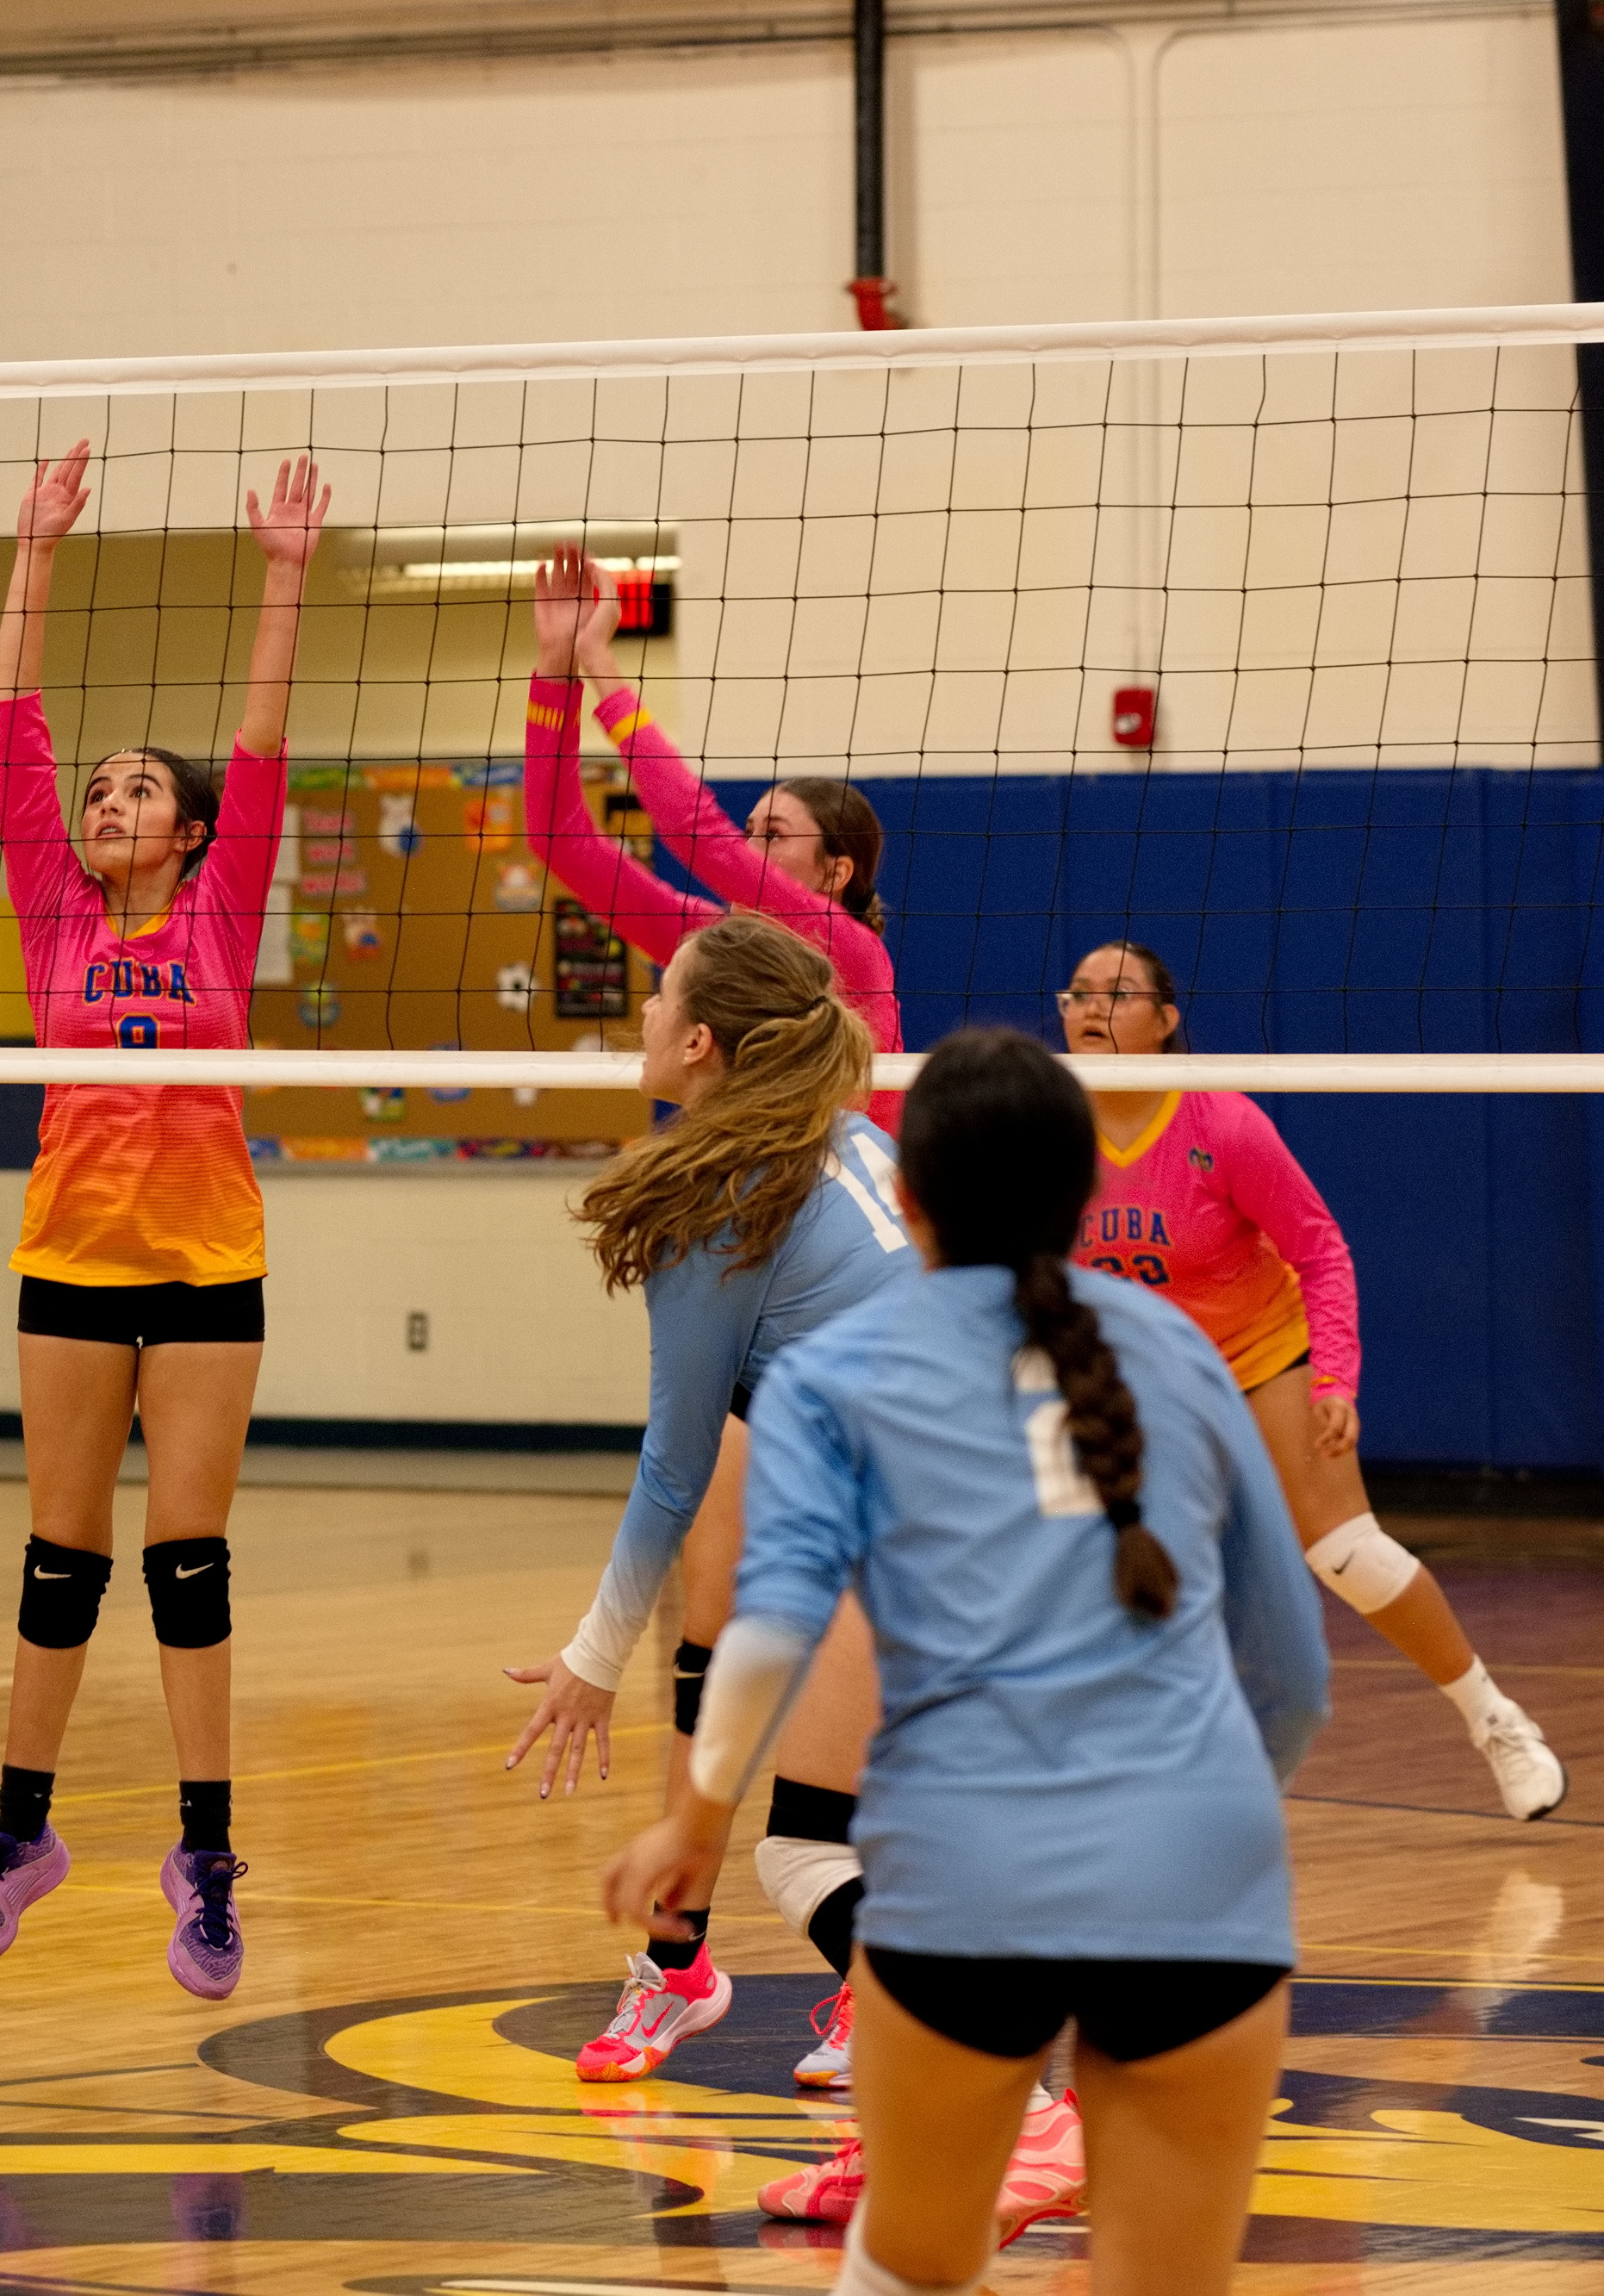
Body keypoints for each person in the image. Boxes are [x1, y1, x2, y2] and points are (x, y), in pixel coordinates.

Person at [607, 1024, 1327, 2295]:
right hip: (1204, 1883)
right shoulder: (1176, 1351)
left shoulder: (837, 1370)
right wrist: (1190, 1825)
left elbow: (769, 1624)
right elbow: (1292, 1670)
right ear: (1087, 1194)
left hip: (971, 1875)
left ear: (912, 1194)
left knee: (909, 2271)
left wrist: (696, 1816)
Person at [0, 440, 320, 2001]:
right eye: (97, 790)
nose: (107, 799)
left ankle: (205, 1860)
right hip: (70, 1263)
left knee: (188, 1559)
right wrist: (30, 547)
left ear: (186, 831)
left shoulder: (221, 903)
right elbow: (8, 733)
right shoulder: (58, 914)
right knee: (57, 1553)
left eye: (138, 789)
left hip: (208, 1263)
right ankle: (19, 1834)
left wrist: (284, 571)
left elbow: (260, 731)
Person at [498, 915, 915, 2081]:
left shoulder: (730, 1201)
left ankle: (1011, 2104)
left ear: (698, 1042)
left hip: (918, 1529)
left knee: (805, 1854)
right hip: (1010, 1510)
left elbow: (674, 1468)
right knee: (899, 1827)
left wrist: (591, 1655)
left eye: (656, 993)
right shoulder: (852, 1142)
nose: (638, 1010)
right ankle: (911, 2114)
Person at [1065, 939, 1563, 1819]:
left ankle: (1493, 1715)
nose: (1093, 1006)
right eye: (1078, 992)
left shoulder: (1219, 1121)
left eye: (1119, 992)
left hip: (1262, 1353)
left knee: (1344, 1550)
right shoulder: (1048, 1127)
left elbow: (1320, 1248)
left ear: (1166, 1021)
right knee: (1103, 1566)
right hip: (1146, 1373)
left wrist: (1335, 1376)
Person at [525, 543, 903, 1115]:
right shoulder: (714, 946)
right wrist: (558, 665)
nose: (748, 848)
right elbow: (560, 841)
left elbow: (692, 833)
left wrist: (600, 660)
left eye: (772, 835)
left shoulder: (851, 953)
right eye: (748, 830)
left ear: (835, 872)